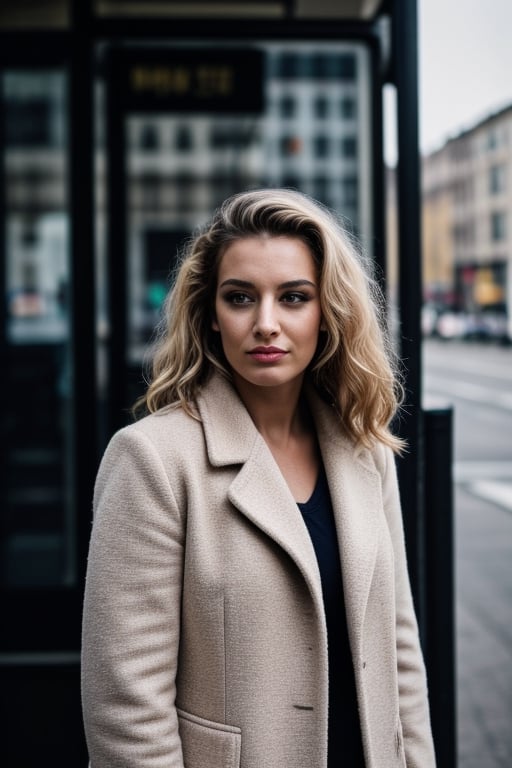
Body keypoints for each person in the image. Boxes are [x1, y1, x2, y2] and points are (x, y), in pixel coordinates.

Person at [81, 188, 436, 768]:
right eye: (240, 297)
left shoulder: (364, 451)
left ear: (328, 316)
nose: (265, 323)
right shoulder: (152, 459)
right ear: (211, 316)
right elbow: (126, 708)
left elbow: (399, 653)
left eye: (294, 297)